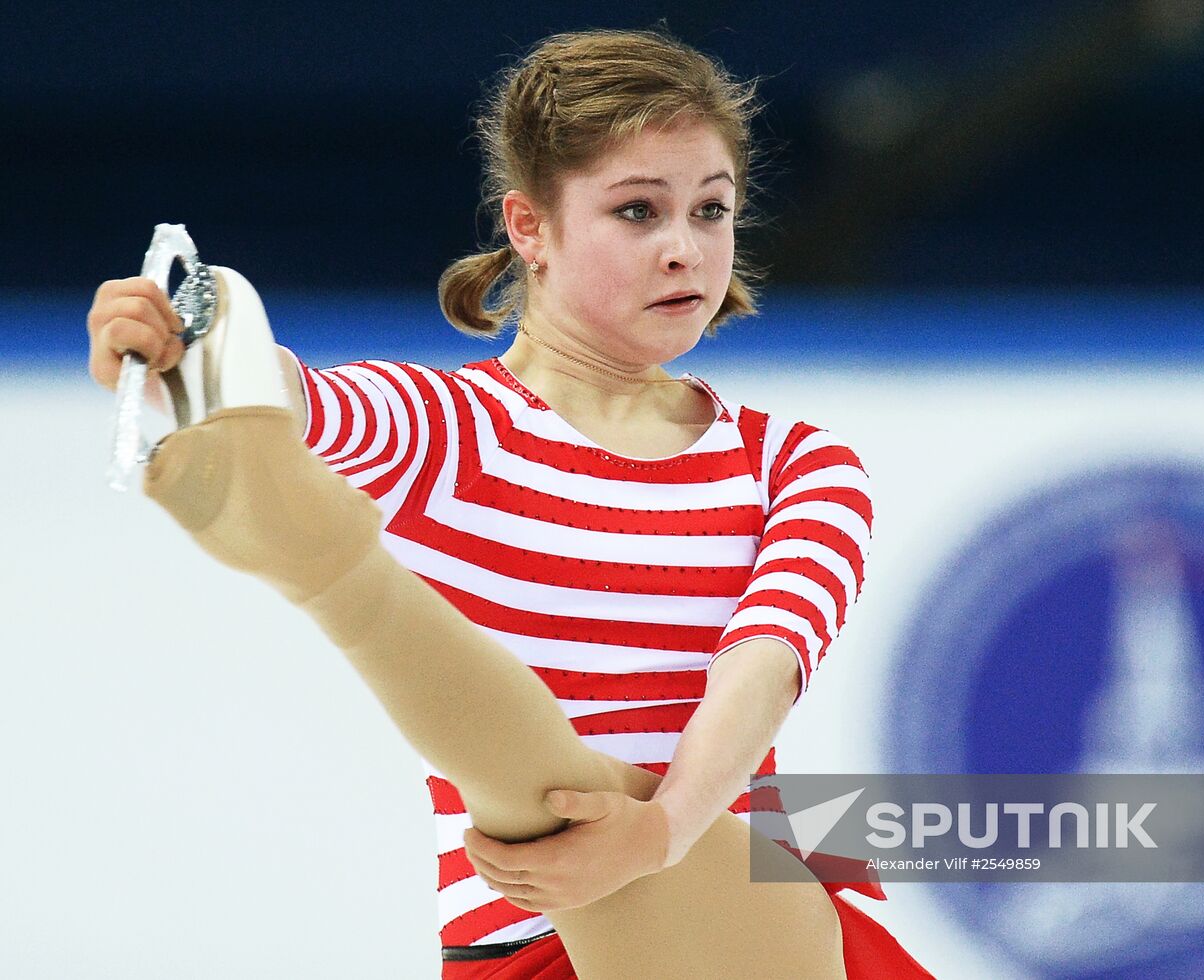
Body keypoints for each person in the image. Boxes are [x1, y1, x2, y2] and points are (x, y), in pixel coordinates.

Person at [86, 28, 933, 980]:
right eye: (638, 212)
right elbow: (306, 400)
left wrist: (654, 837)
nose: (684, 251)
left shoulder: (795, 461)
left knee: (662, 841)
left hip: (744, 924)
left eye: (711, 210)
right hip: (526, 940)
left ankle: (337, 577)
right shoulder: (445, 428)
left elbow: (766, 667)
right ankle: (330, 565)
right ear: (529, 228)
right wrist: (187, 355)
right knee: (551, 795)